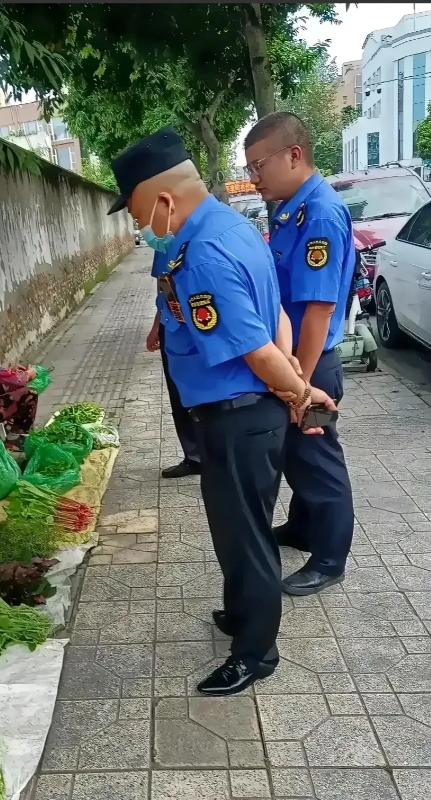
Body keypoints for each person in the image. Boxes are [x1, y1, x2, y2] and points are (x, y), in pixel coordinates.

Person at [108, 127, 337, 696]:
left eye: (137, 214)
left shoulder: (201, 253)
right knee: (236, 530)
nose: (139, 229)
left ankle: (256, 652)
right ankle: (241, 614)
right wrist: (297, 375)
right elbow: (278, 317)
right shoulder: (235, 227)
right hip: (241, 414)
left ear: (162, 201)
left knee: (246, 537)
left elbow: (258, 351)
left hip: (237, 416)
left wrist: (300, 394)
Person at [244, 112, 355, 596]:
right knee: (299, 457)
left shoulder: (321, 215)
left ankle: (331, 557)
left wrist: (300, 388)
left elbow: (316, 312)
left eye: (259, 165)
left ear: (294, 155)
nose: (254, 178)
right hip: (295, 362)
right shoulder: (291, 210)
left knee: (317, 461)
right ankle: (304, 529)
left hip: (310, 364)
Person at [146, 249, 201, 478]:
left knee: (208, 394)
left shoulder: (202, 240)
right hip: (173, 330)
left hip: (205, 327)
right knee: (179, 395)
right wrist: (157, 326)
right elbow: (165, 290)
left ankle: (215, 453)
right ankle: (194, 456)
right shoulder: (163, 246)